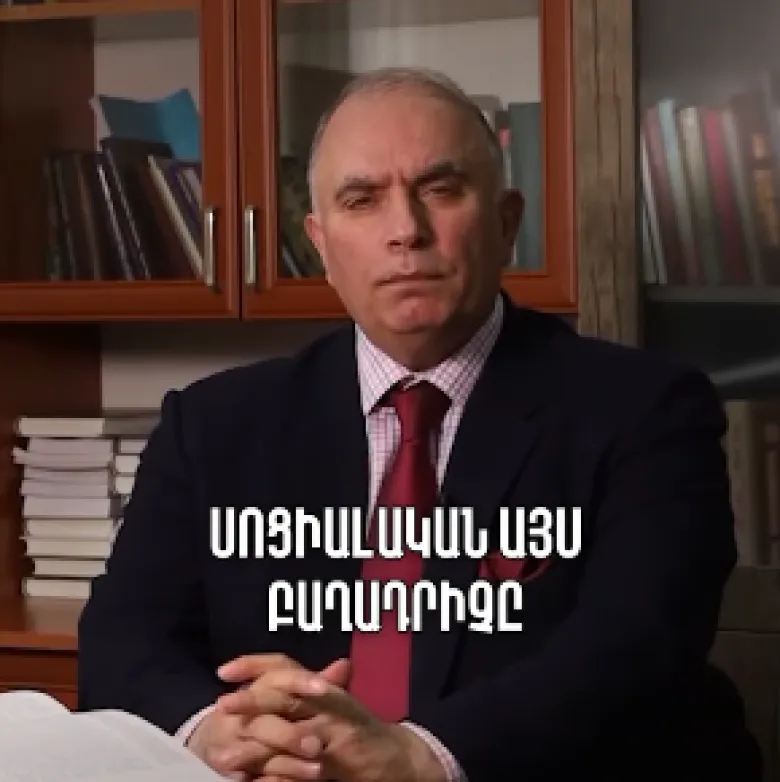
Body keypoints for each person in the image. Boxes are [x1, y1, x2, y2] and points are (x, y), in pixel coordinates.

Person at [77, 66, 762, 781]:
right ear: (321, 246)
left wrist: (422, 755)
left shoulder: (647, 410)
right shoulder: (211, 425)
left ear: (506, 223)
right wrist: (215, 732)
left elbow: (637, 646)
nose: (405, 230)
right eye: (362, 200)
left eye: (441, 189)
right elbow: (123, 640)